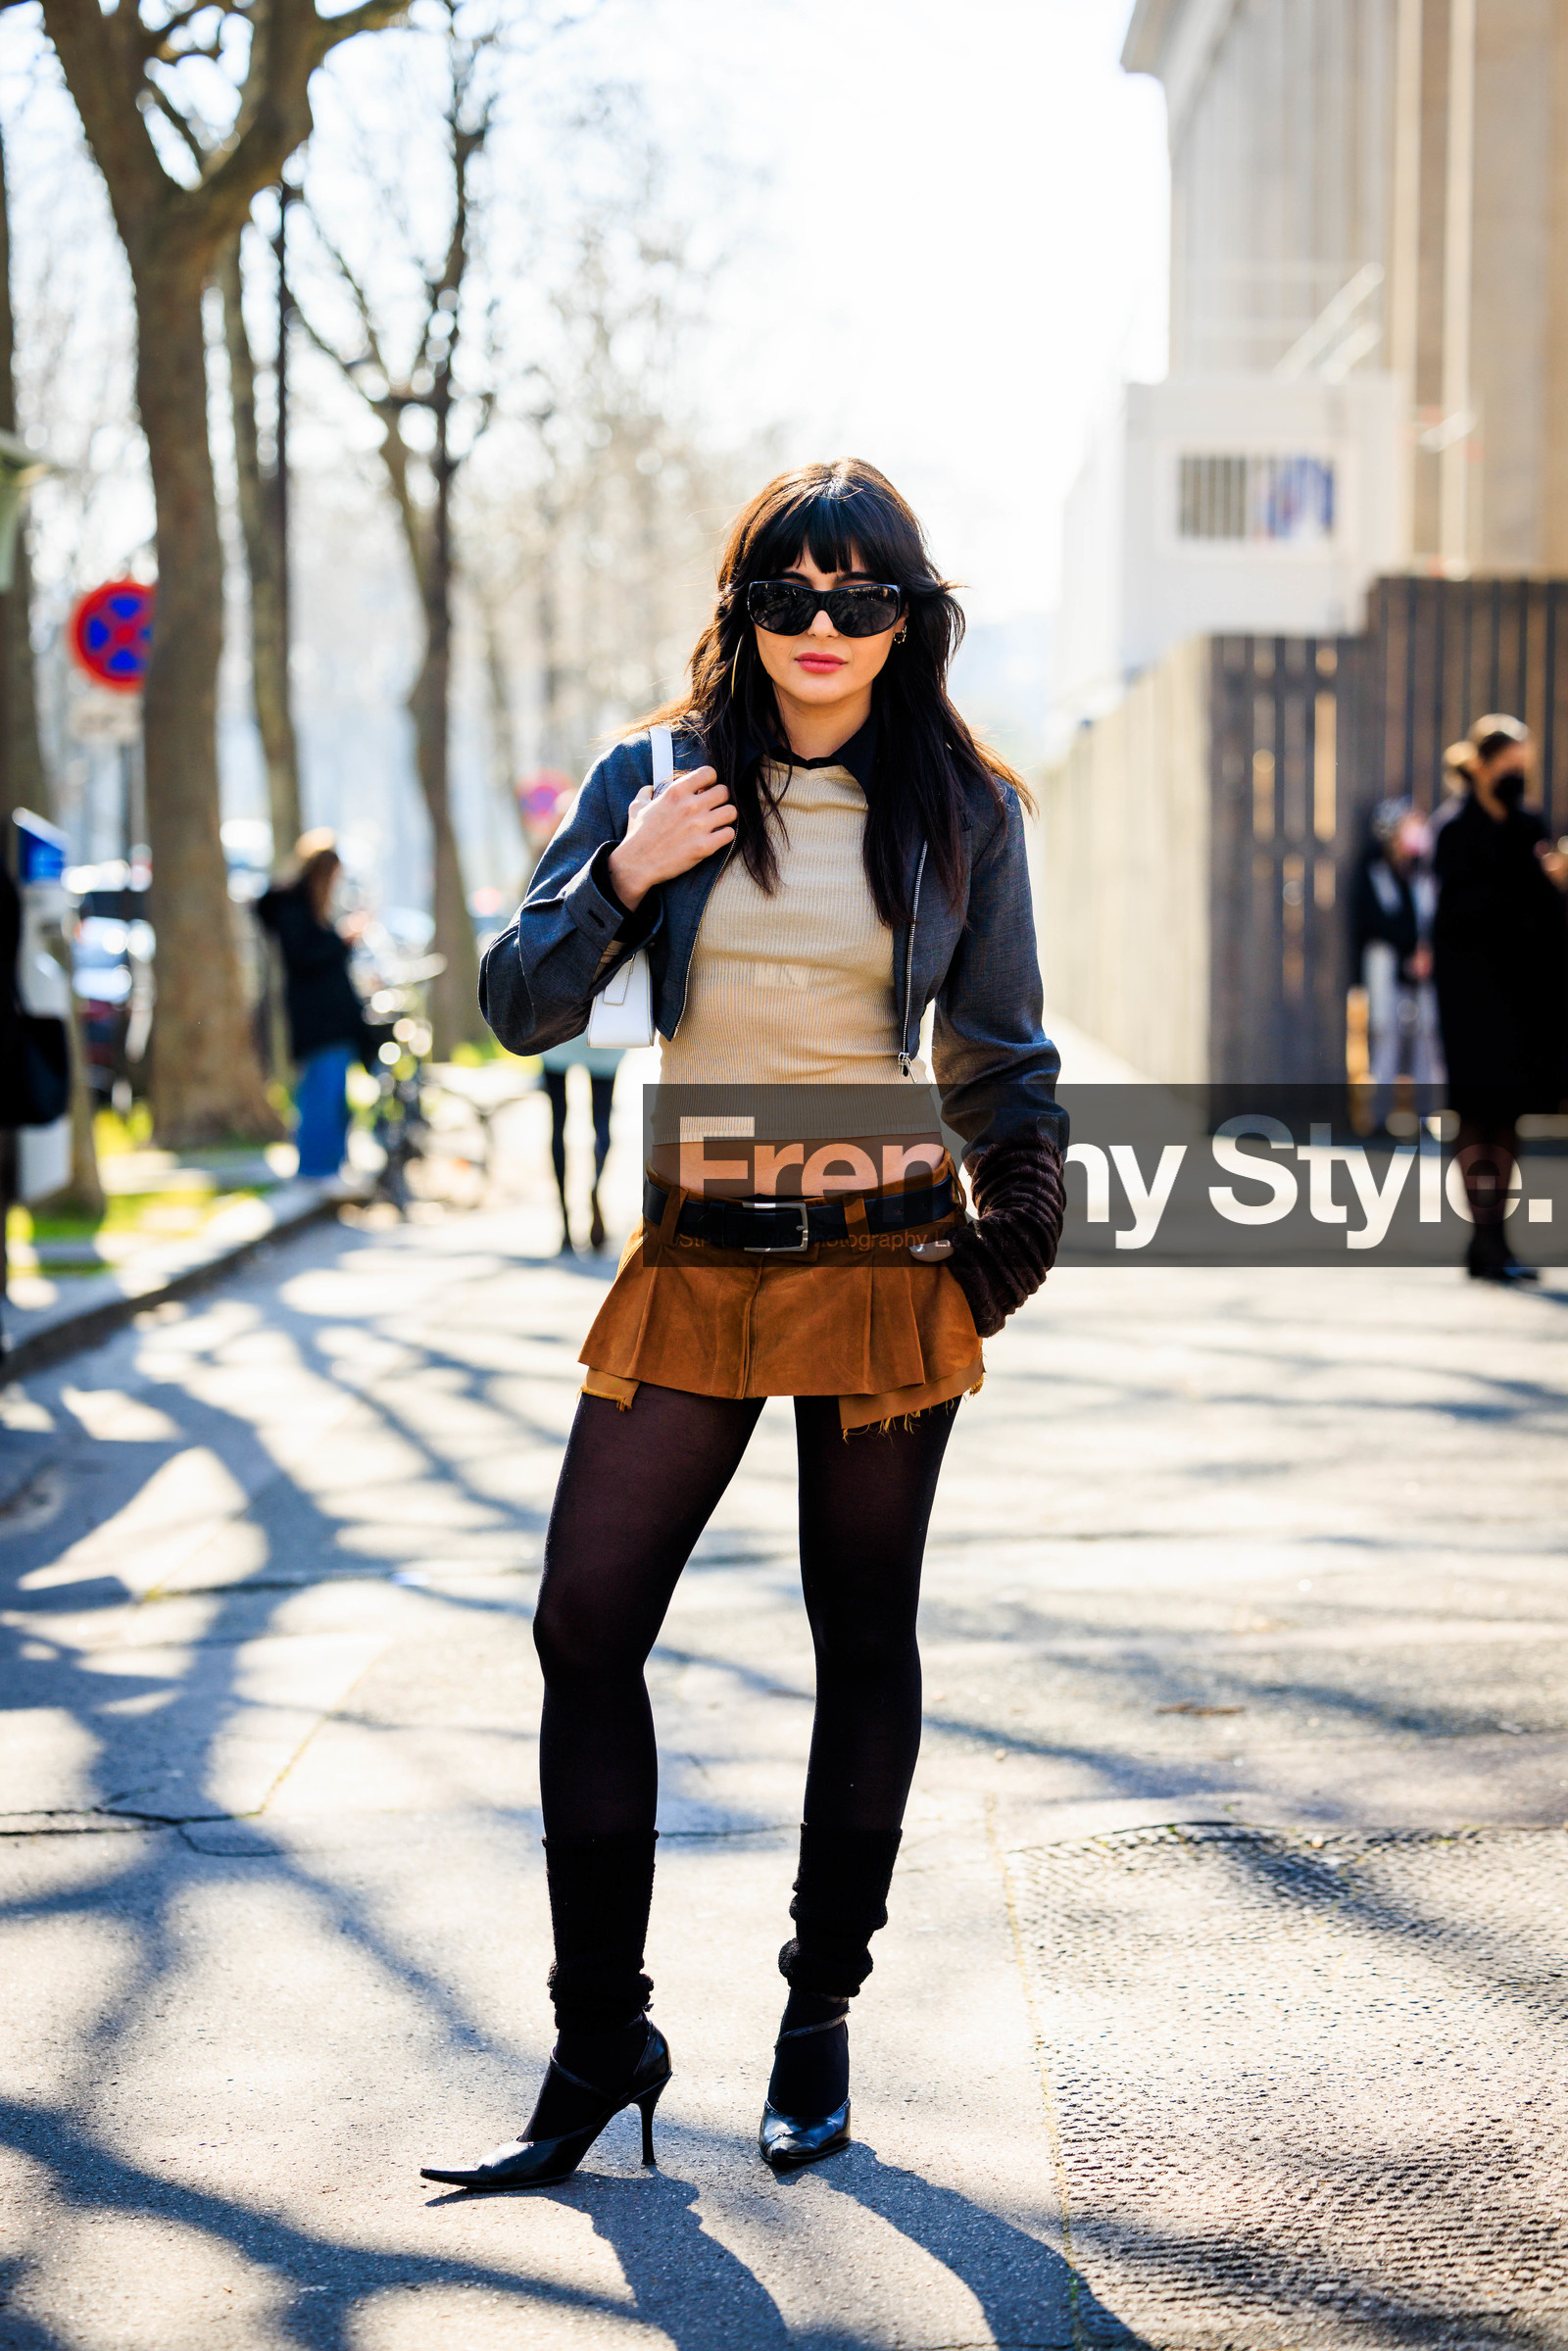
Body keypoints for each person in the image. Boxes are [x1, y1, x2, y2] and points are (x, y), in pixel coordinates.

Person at [422, 459, 1065, 2190]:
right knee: (584, 1620)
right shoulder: (661, 772)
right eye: (790, 595)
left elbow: (1003, 1057)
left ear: (908, 616)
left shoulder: (966, 810)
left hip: (882, 1260)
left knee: (862, 1632)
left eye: (863, 600)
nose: (823, 630)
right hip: (700, 1247)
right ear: (747, 605)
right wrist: (620, 872)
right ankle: (599, 2031)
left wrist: (1005, 1245)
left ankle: (817, 2007)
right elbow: (515, 1002)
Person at [1433, 714, 1568, 1281]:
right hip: (1469, 995)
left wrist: (1556, 881)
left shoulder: (1528, 823)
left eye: (1525, 768)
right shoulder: (1454, 829)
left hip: (1520, 996)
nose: (1518, 777)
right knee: (1476, 1115)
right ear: (1483, 766)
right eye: (1510, 767)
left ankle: (1496, 1241)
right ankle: (1482, 1237)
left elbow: (1546, 918)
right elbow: (1456, 913)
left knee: (1507, 1117)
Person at [257, 831, 378, 1183]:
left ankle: (329, 1164)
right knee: (320, 1093)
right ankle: (315, 1167)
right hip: (318, 1018)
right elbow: (304, 957)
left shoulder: (309, 907)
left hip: (329, 1017)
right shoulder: (296, 907)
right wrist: (341, 941)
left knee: (332, 1092)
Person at [1350, 798, 1442, 1126]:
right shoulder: (1373, 870)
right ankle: (1377, 1117)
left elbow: (1431, 915)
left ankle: (1428, 1116)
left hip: (1423, 970)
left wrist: (1426, 950)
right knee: (1385, 1036)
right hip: (1388, 968)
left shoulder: (1423, 870)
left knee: (1428, 1039)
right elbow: (1373, 923)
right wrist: (1407, 950)